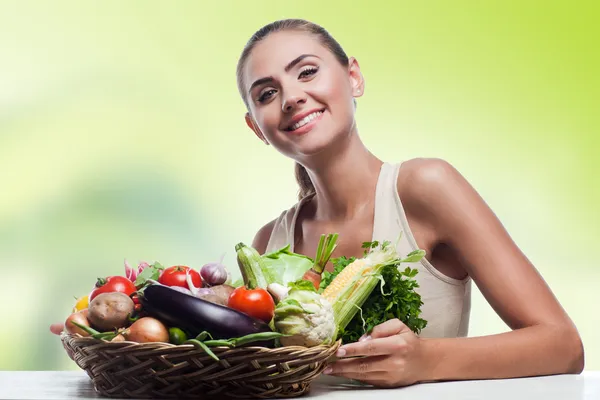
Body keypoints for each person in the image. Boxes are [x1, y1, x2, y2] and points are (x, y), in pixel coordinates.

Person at [52, 18, 584, 388]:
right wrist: (115, 328)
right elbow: (230, 353)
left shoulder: (424, 188)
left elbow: (562, 347)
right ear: (257, 128)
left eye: (307, 71)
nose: (291, 97)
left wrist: (424, 361)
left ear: (352, 77)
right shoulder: (266, 245)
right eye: (266, 93)